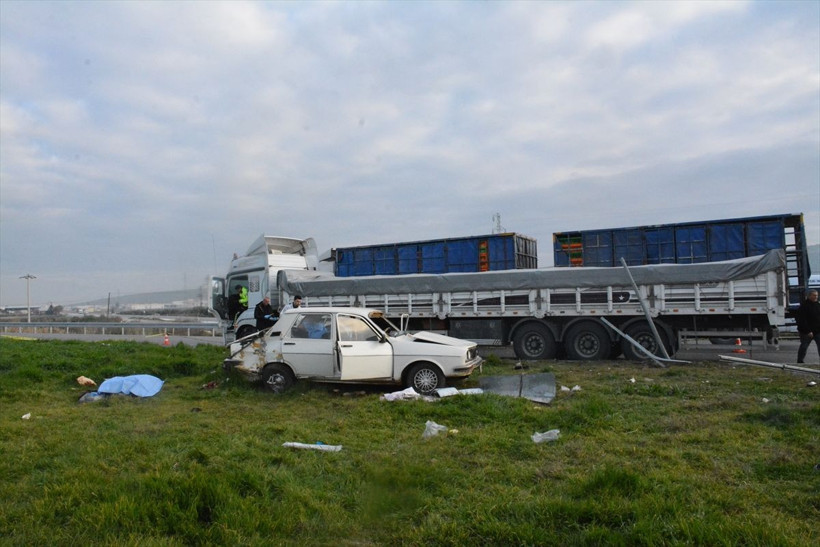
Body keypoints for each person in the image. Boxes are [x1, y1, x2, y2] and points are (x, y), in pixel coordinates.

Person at [796, 288, 820, 364]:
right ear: (809, 296)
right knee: (804, 346)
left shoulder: (818, 305)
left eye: (817, 295)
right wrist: (808, 331)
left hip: (817, 331)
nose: (816, 297)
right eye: (814, 295)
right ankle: (800, 361)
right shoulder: (804, 306)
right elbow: (801, 320)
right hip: (806, 332)